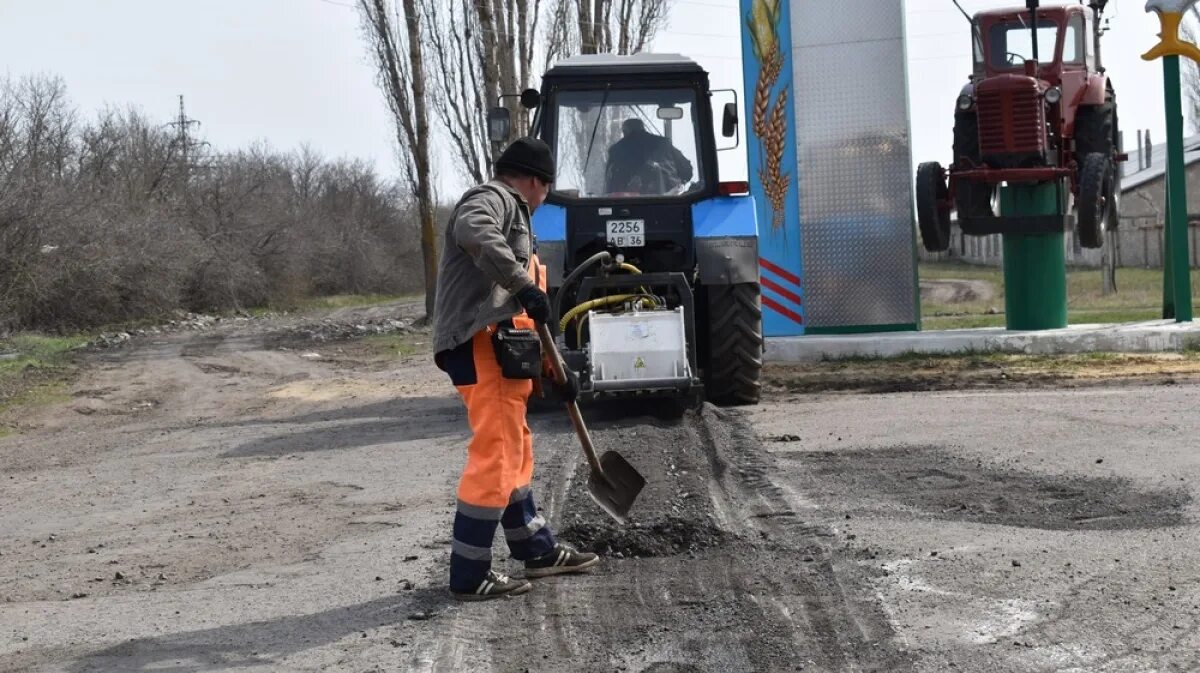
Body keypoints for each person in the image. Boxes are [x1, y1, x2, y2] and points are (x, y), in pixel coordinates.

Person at [432, 137, 599, 601]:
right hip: (479, 343)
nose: (544, 199)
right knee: (497, 453)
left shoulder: (517, 216)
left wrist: (556, 372)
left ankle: (536, 549)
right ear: (534, 181)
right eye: (546, 189)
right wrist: (523, 283)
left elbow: (529, 317)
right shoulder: (493, 199)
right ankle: (469, 574)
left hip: (502, 348)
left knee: (516, 448)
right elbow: (472, 229)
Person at [604, 117, 694, 195]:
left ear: (625, 131)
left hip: (627, 205)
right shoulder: (663, 143)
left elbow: (609, 184)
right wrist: (678, 186)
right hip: (668, 202)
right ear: (643, 128)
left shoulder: (616, 150)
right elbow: (687, 171)